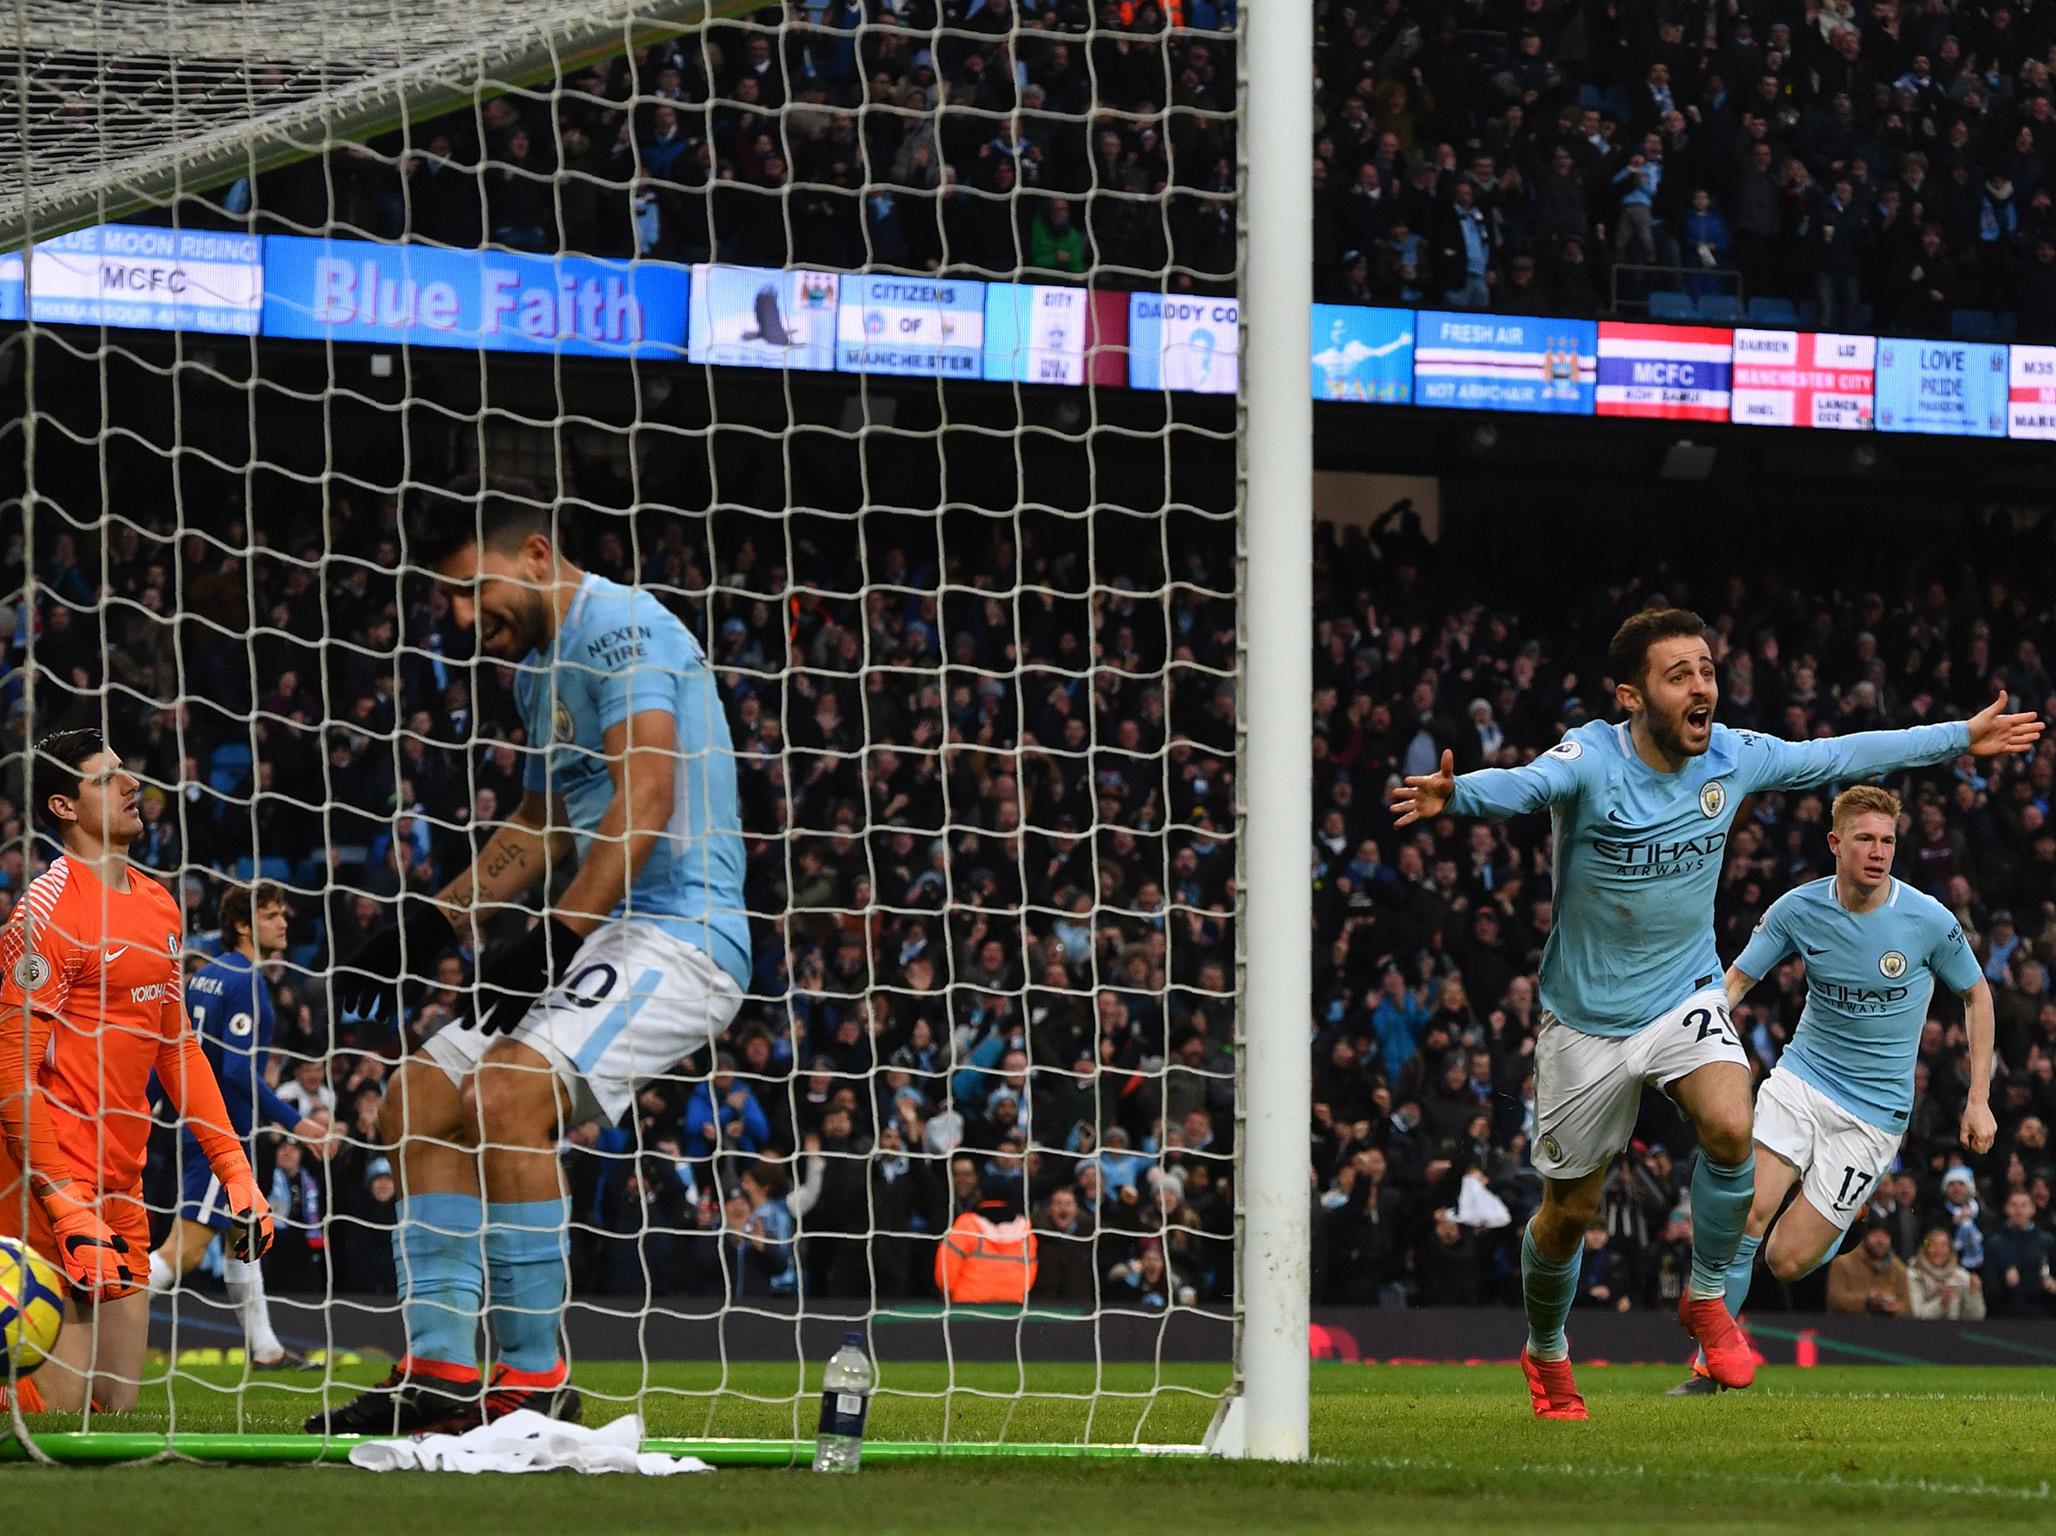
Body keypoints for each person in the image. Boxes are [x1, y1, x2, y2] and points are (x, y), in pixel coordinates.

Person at [1389, 608, 2040, 1418]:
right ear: (1632, 695)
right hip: (1585, 1022)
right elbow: (1527, 785)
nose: (1702, 687)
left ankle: (1705, 1298)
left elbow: (1838, 752)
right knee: (1568, 1215)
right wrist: (1459, 798)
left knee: (1732, 1124)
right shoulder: (1592, 757)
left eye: (1706, 669)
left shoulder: (1730, 754)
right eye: (1679, 675)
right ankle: (1548, 1351)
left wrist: (1954, 738)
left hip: (1682, 995)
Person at [310, 489, 749, 1435]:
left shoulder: (624, 628)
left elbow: (647, 792)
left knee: (508, 1094)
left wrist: (553, 935)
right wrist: (431, 923)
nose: (466, 621)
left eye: (473, 593)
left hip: (683, 931)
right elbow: (546, 820)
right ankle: (437, 1374)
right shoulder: (534, 672)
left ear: (537, 553)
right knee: (418, 1095)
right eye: (452, 606)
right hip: (605, 931)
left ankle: (534, 1381)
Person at [1672, 785, 1993, 1393]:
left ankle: (1839, 1228)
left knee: (1786, 1261)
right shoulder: (1798, 908)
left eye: (1888, 841)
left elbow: (1977, 995)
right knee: (1747, 1215)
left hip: (1873, 1118)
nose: (1878, 852)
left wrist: (1978, 1098)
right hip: (1801, 1080)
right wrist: (1697, 1040)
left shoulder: (1927, 919)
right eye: (1866, 839)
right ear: (1835, 843)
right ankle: (1708, 1368)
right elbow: (1736, 982)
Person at [0, 730, 273, 1413]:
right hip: (47, 1178)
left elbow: (176, 1047)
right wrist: (60, 1200)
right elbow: (11, 1076)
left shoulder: (159, 906)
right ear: (64, 805)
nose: (130, 786)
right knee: (56, 1413)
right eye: (105, 779)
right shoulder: (44, 914)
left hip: (122, 1182)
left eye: (126, 773)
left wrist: (235, 1170)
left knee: (116, 1406)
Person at [148, 880, 331, 1369]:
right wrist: (297, 1122)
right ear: (243, 925)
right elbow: (234, 1069)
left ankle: (266, 1348)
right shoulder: (246, 980)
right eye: (272, 915)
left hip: (195, 1123)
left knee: (242, 1235)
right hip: (219, 1132)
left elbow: (174, 1049)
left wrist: (151, 1102)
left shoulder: (203, 976)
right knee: (182, 1251)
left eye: (284, 915)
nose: (284, 923)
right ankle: (91, 1326)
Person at [1826, 1221, 1911, 1316]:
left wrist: (1895, 1308)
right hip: (1847, 1325)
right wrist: (1867, 1301)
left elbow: (1907, 1308)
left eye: (1885, 1236)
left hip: (1888, 1327)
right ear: (1865, 1237)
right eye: (1875, 1235)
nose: (1880, 1241)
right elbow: (1835, 1301)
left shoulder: (1898, 1268)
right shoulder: (1843, 1263)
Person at [1908, 1227, 1986, 1320]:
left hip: (1954, 1332)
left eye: (1943, 1246)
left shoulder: (1961, 1276)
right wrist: (1941, 1303)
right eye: (1933, 1245)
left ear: (1950, 1250)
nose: (1938, 1251)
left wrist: (1974, 1293)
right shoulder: (1914, 1275)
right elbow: (1916, 1314)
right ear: (1925, 1249)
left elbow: (1976, 1317)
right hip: (1923, 1331)